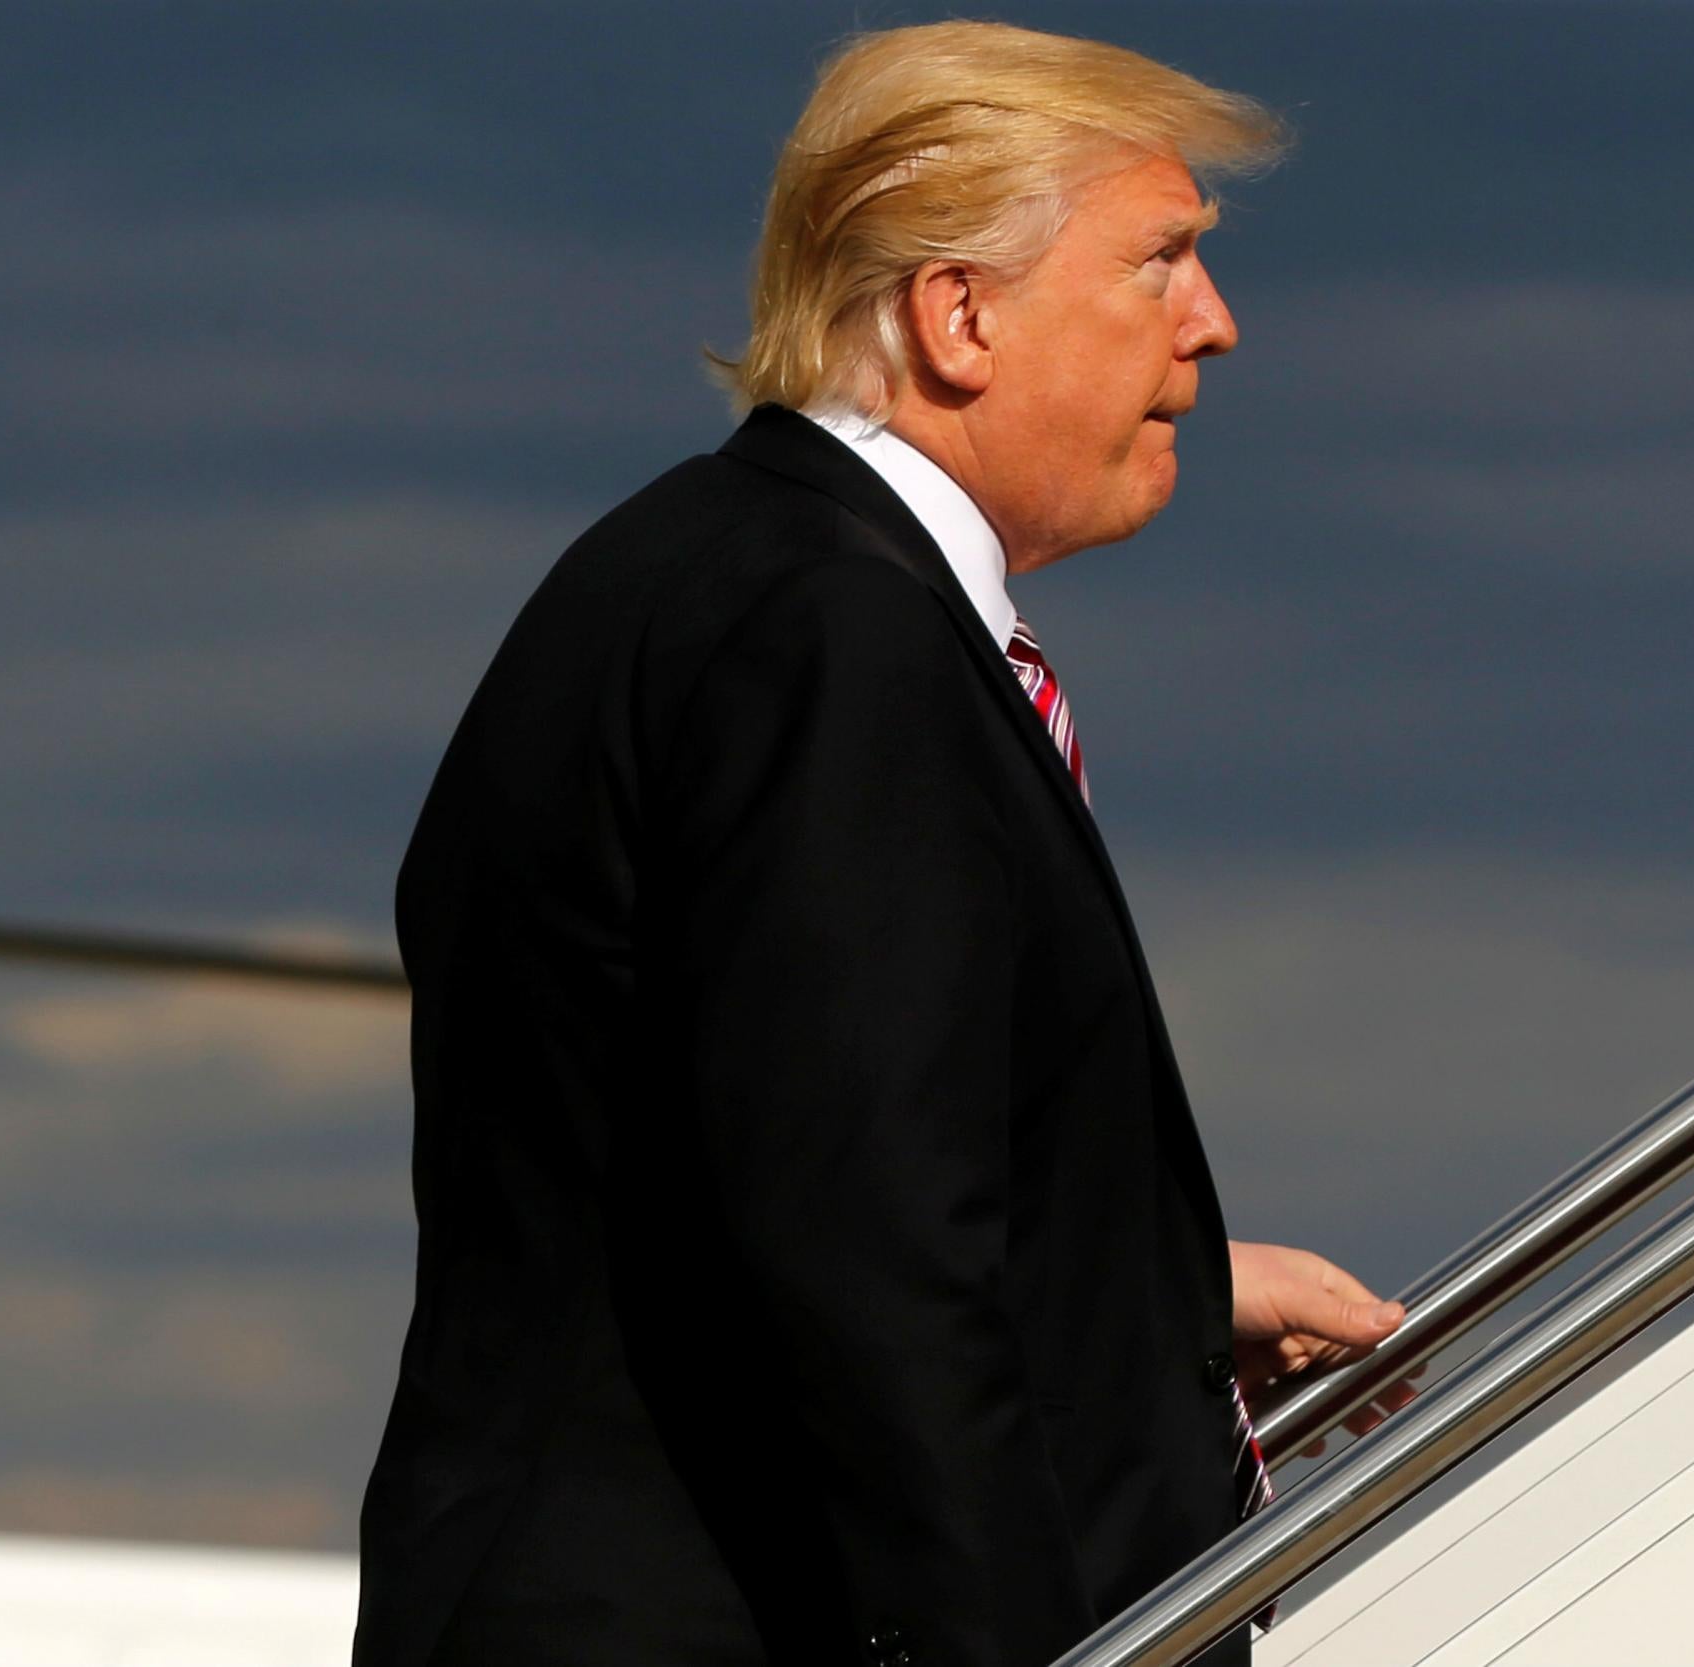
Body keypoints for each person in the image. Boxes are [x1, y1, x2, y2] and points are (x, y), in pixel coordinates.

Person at [353, 22, 1403, 1667]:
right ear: (958, 314)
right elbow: (866, 1262)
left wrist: (1146, 1299)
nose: (1216, 324)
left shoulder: (693, 573)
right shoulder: (836, 634)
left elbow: (753, 1164)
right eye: (1162, 260)